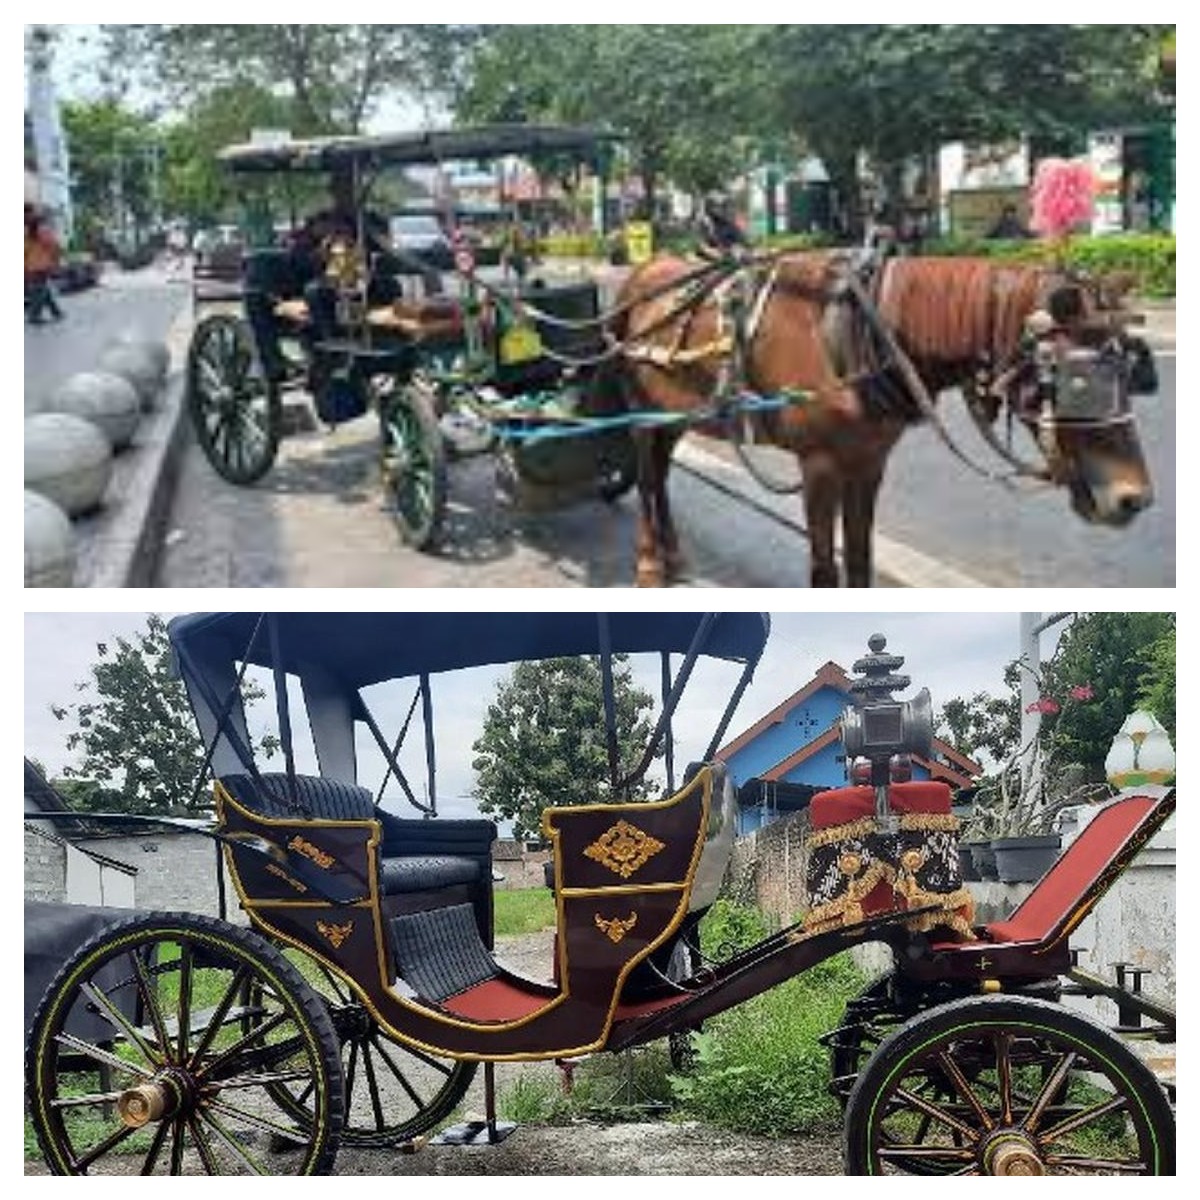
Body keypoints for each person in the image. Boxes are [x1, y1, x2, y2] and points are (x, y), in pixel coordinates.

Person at [25, 205, 65, 325]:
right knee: (40, 291)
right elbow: (53, 245)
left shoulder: (28, 231)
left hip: (33, 265)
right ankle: (34, 316)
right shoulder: (41, 230)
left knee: (41, 289)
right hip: (40, 266)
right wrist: (56, 260)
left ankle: (55, 311)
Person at [698, 192, 749, 258]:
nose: (720, 210)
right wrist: (710, 250)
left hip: (730, 257)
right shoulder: (704, 224)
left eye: (722, 207)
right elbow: (702, 245)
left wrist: (737, 249)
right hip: (709, 258)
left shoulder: (729, 225)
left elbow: (741, 242)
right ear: (709, 208)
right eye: (716, 207)